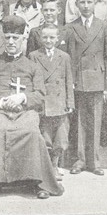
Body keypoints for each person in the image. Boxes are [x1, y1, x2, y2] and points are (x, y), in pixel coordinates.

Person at [0, 15, 63, 199]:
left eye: (15, 38)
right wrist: (1, 102)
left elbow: (40, 95)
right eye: (7, 37)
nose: (10, 42)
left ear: (23, 39)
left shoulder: (32, 66)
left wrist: (22, 97)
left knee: (32, 132)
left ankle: (35, 182)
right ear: (2, 38)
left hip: (25, 111)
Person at [64, 0, 107, 175]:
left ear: (95, 4)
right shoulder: (71, 27)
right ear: (76, 5)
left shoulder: (104, 27)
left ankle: (94, 161)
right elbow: (68, 57)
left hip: (97, 80)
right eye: (82, 2)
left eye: (89, 2)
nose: (86, 6)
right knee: (80, 121)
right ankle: (80, 159)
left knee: (95, 121)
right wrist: (71, 82)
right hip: (78, 80)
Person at [29, 24, 74, 177]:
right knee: (45, 136)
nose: (48, 40)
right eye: (45, 37)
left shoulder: (64, 56)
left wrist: (70, 103)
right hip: (44, 103)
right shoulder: (34, 56)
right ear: (40, 38)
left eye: (52, 37)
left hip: (60, 103)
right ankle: (46, 167)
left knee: (61, 137)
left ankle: (55, 164)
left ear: (57, 39)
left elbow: (69, 81)